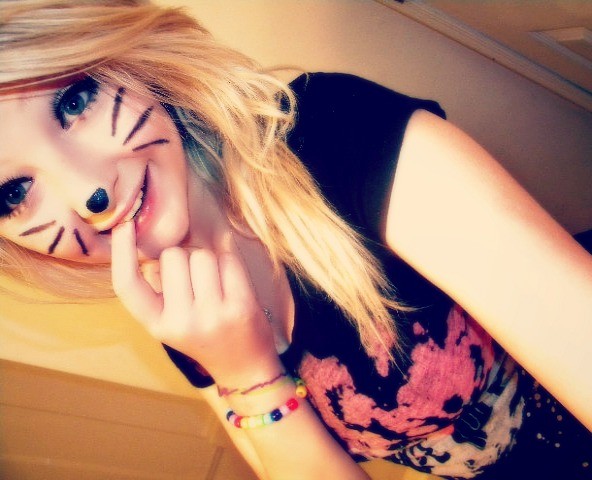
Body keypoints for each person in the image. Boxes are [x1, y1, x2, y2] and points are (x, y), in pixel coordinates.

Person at [0, 1, 590, 479]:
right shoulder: (179, 313)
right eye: (13, 192)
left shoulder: (337, 134)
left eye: (73, 101)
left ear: (136, 63)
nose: (88, 194)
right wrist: (245, 374)